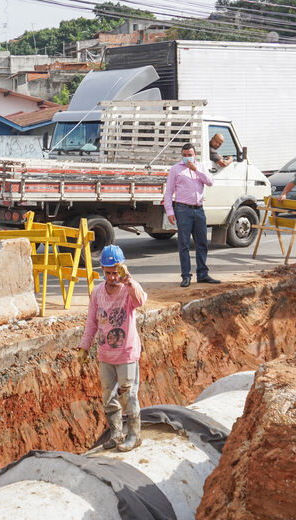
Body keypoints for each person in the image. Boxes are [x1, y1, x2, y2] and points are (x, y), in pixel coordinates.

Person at [78, 245, 147, 452]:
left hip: (126, 353)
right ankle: (116, 433)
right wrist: (84, 346)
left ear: (122, 270)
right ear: (102, 270)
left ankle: (134, 435)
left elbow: (141, 300)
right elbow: (91, 322)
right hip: (105, 354)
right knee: (109, 397)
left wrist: (129, 280)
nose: (112, 277)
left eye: (115, 272)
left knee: (128, 394)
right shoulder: (97, 292)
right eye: (108, 272)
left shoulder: (128, 291)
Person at [163, 143, 221, 287]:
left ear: (195, 155)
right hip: (183, 210)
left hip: (199, 209)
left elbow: (210, 182)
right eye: (184, 155)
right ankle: (186, 276)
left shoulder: (200, 167)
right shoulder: (175, 169)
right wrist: (170, 211)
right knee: (184, 244)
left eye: (190, 155)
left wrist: (196, 170)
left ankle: (202, 274)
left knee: (202, 243)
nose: (187, 158)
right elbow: (169, 192)